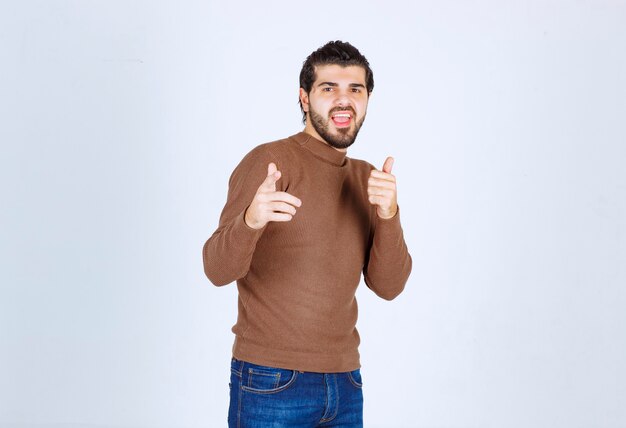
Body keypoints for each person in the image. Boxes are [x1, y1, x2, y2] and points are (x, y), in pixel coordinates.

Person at [203, 40, 412, 427]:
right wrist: (250, 220)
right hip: (271, 379)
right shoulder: (270, 162)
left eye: (355, 89)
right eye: (328, 88)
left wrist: (389, 213)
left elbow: (389, 286)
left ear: (367, 100)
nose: (343, 100)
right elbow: (216, 269)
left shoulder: (368, 177)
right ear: (304, 98)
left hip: (346, 383)